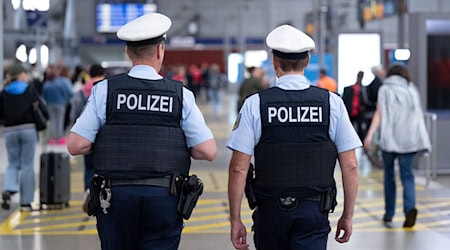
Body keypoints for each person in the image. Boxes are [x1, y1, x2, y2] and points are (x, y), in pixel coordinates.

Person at [67, 13, 217, 250]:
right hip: (164, 198)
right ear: (160, 51)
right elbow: (207, 151)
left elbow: (76, 145)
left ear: (128, 53)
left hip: (115, 198)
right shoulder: (181, 94)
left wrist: (111, 141)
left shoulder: (105, 90)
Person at [227, 24, 360, 250]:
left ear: (274, 62)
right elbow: (351, 166)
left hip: (270, 212)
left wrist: (235, 219)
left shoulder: (256, 104)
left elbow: (239, 169)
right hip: (314, 212)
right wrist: (347, 215)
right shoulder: (331, 103)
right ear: (307, 61)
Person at [364, 64, 431, 229]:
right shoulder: (411, 89)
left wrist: (370, 135)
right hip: (409, 140)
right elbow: (417, 115)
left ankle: (389, 214)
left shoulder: (385, 89)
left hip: (389, 140)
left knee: (389, 177)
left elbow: (379, 113)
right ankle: (409, 209)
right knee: (407, 176)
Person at [0, 63, 49, 211]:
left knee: (13, 162)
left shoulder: (3, 92)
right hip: (28, 129)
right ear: (21, 75)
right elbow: (40, 106)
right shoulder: (29, 89)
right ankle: (25, 203)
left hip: (9, 131)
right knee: (27, 165)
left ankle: (9, 188)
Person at [41, 65, 74, 145]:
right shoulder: (62, 82)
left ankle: (51, 139)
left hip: (50, 105)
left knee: (52, 121)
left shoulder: (46, 84)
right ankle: (60, 139)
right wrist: (66, 99)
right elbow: (70, 93)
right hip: (61, 104)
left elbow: (43, 95)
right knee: (60, 121)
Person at [342, 71, 366, 140]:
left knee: (360, 129)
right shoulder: (349, 89)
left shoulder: (363, 89)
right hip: (351, 111)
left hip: (359, 112)